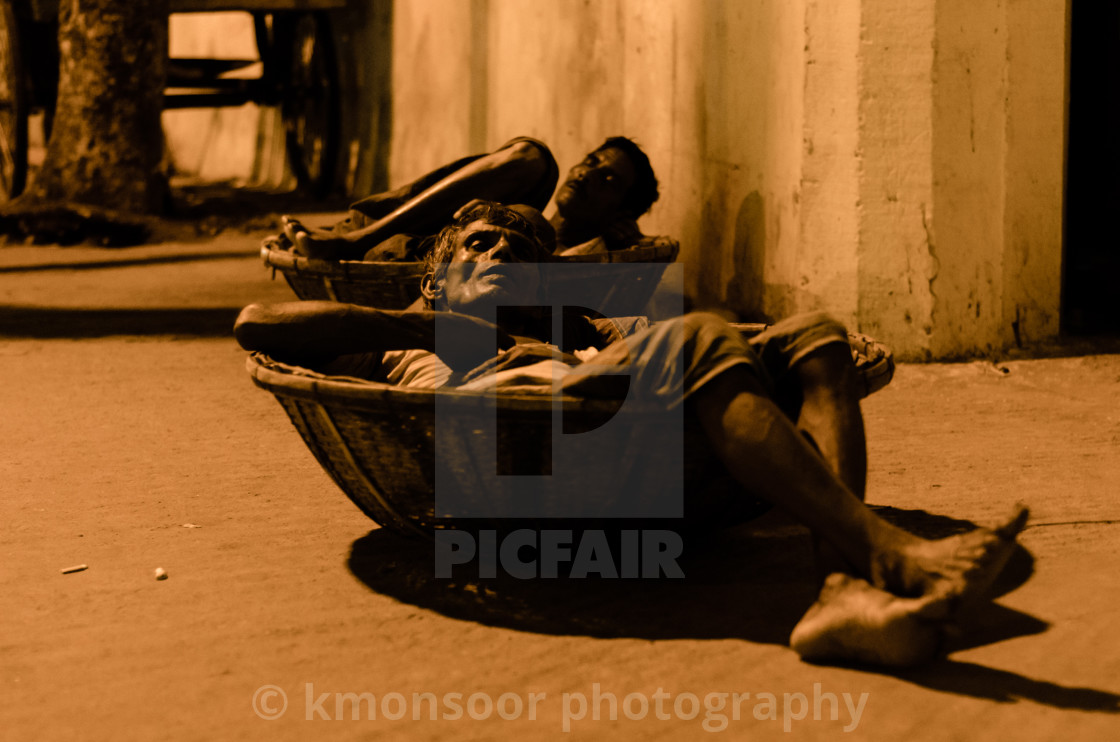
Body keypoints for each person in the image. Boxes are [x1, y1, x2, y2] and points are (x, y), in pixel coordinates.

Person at [236, 202, 1029, 668]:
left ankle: (840, 589)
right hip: (500, 428)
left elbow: (686, 361)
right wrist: (443, 319)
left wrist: (592, 336)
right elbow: (257, 322)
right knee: (697, 336)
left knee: (817, 335)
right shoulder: (409, 337)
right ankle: (882, 548)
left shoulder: (586, 331)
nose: (503, 253)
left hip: (612, 427)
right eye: (481, 244)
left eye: (520, 252)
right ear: (437, 272)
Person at [274, 136, 660, 261]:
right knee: (533, 157)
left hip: (428, 257)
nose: (587, 174)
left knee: (526, 224)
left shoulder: (590, 258)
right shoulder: (529, 201)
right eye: (591, 162)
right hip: (396, 233)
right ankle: (357, 236)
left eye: (607, 179)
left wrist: (620, 244)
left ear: (622, 210)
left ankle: (358, 240)